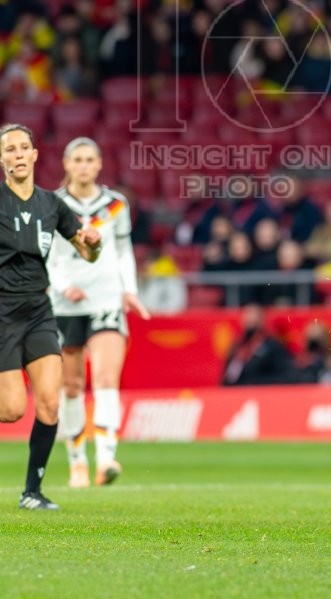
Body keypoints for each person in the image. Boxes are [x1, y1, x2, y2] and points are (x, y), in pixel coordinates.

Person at [0, 124, 101, 509]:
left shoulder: (51, 204)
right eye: (10, 150)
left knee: (50, 405)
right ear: (2, 160)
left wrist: (94, 242)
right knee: (11, 411)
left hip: (39, 311)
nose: (18, 155)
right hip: (2, 311)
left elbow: (87, 251)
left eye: (24, 147)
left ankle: (32, 492)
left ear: (36, 154)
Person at [47, 137, 150, 489]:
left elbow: (123, 251)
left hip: (105, 301)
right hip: (65, 306)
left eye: (90, 159)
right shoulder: (54, 204)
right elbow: (45, 254)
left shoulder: (115, 205)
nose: (84, 165)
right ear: (66, 164)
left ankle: (106, 459)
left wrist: (129, 291)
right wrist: (61, 286)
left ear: (100, 164)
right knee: (72, 386)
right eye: (78, 159)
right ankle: (77, 463)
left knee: (106, 379)